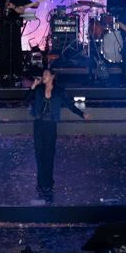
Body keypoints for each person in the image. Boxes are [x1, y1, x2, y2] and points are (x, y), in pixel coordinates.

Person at [26, 64, 85, 203]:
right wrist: (33, 86)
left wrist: (82, 114)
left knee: (49, 153)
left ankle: (48, 181)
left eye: (46, 74)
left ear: (52, 77)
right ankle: (41, 182)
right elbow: (27, 98)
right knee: (39, 153)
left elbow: (70, 105)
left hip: (51, 125)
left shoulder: (59, 91)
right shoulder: (39, 89)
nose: (44, 76)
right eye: (43, 75)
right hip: (39, 124)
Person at [0, 0, 33, 85]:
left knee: (15, 47)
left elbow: (26, 6)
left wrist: (15, 7)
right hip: (4, 24)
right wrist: (0, 12)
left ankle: (16, 72)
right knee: (3, 48)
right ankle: (3, 73)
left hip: (15, 24)